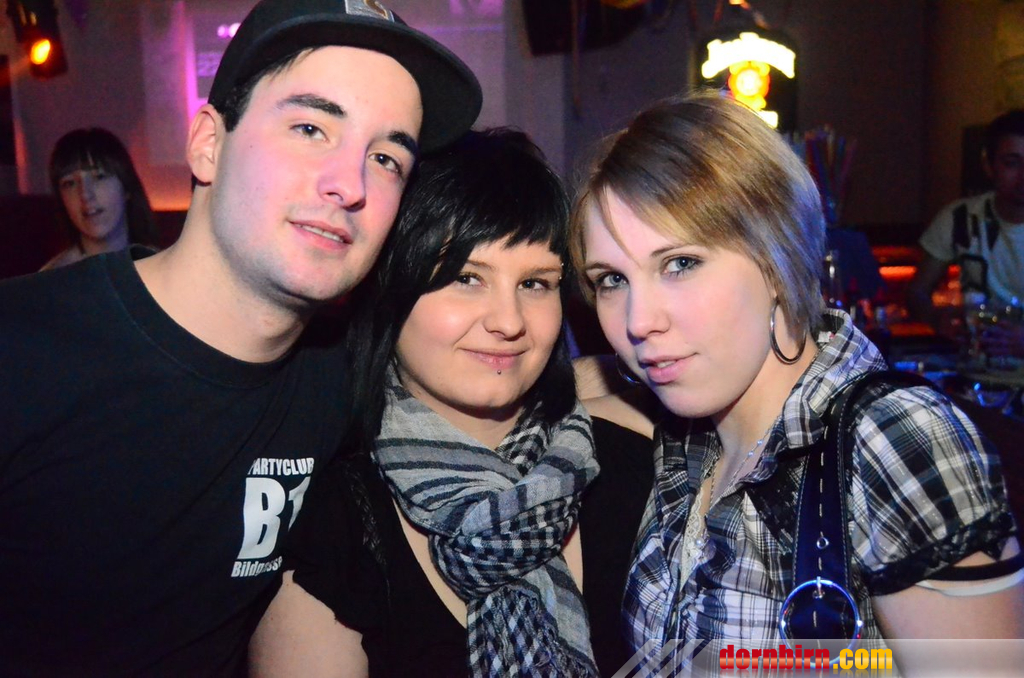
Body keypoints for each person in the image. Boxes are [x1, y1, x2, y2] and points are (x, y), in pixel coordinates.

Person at [0, 0, 480, 675]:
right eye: (310, 127)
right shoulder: (22, 351)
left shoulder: (341, 376)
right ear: (208, 144)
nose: (349, 185)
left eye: (385, 158)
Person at [569, 92, 1024, 671]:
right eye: (611, 279)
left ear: (776, 258)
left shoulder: (895, 437)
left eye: (680, 263)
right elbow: (573, 385)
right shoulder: (689, 427)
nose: (638, 322)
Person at [248, 129, 653, 678]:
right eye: (466, 277)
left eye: (535, 283)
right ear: (390, 288)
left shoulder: (640, 465)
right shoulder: (336, 530)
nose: (508, 321)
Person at [908, 109, 1024, 357]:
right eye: (1012, 163)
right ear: (989, 166)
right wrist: (938, 319)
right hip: (973, 369)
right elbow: (916, 293)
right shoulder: (960, 217)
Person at [40, 127, 159, 271]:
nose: (85, 194)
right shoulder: (52, 277)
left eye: (99, 177)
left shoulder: (165, 268)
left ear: (126, 186)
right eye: (70, 183)